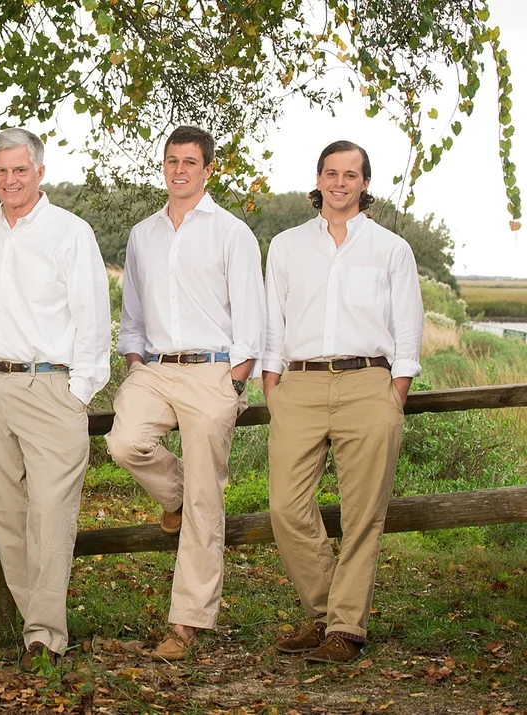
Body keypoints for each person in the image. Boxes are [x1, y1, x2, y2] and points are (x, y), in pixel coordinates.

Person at [105, 126, 266, 660]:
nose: (180, 170)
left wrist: (235, 382)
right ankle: (170, 496)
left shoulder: (231, 233)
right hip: (154, 368)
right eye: (172, 160)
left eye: (190, 162)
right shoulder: (143, 234)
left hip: (213, 373)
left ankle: (186, 625)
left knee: (206, 497)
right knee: (124, 442)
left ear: (207, 169)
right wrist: (134, 363)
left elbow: (251, 319)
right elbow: (132, 315)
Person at [262, 140, 423, 664]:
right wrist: (272, 386)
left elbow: (407, 330)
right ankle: (328, 612)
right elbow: (272, 321)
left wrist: (394, 391)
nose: (339, 182)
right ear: (319, 178)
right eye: (331, 173)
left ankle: (345, 630)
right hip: (301, 386)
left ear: (364, 183)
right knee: (286, 507)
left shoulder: (391, 250)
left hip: (367, 386)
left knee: (362, 515)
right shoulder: (286, 245)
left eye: (350, 175)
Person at [0, 128, 111, 671]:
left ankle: (45, 637)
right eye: (2, 171)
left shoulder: (70, 233)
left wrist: (77, 392)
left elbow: (94, 318)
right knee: (7, 514)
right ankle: (36, 626)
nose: (10, 181)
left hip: (51, 386)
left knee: (51, 514)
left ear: (40, 172)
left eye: (20, 170)